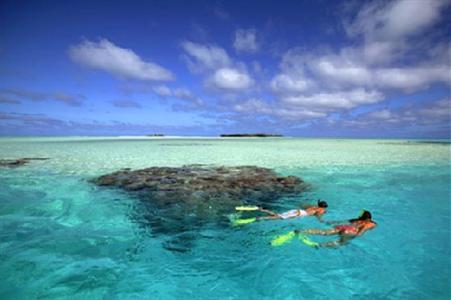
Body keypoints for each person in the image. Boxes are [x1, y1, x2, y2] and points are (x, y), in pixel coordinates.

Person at [295, 210, 377, 248]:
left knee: (323, 232)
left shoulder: (356, 220)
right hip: (349, 231)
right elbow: (359, 234)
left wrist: (328, 223)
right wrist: (350, 237)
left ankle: (303, 231)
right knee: (340, 242)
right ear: (368, 219)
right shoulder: (370, 224)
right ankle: (319, 245)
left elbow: (341, 222)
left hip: (342, 227)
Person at [257, 199, 328, 221]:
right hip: (298, 214)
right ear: (323, 207)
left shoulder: (314, 206)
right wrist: (321, 220)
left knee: (279, 215)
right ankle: (261, 218)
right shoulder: (321, 210)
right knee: (280, 217)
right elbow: (318, 216)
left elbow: (303, 206)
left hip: (296, 211)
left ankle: (263, 210)